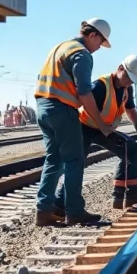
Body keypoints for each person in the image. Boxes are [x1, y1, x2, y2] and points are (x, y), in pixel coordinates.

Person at [33, 18, 113, 227]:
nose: (98, 49)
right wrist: (100, 123)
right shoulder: (82, 54)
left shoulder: (61, 47)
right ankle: (74, 211)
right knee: (74, 160)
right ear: (93, 35)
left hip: (43, 108)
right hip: (62, 109)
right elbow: (84, 92)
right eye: (100, 43)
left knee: (53, 160)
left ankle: (43, 212)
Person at [80, 55, 137, 210]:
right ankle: (60, 204)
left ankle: (126, 196)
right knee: (76, 164)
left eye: (132, 80)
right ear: (120, 68)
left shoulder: (127, 88)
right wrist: (102, 126)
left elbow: (129, 107)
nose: (129, 82)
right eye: (128, 78)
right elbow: (87, 106)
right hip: (83, 127)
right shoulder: (100, 86)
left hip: (103, 128)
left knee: (132, 149)